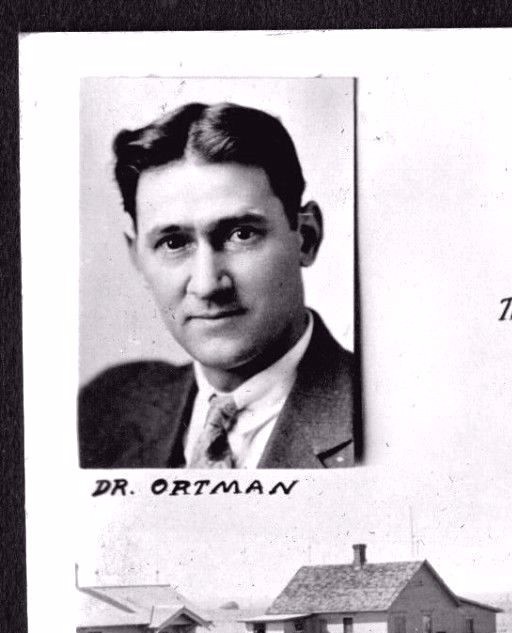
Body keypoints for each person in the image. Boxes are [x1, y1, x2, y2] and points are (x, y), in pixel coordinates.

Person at [81, 101, 356, 469]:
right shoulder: (105, 407)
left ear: (305, 237)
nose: (208, 285)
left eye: (241, 234)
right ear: (138, 257)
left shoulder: (379, 414)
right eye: (174, 243)